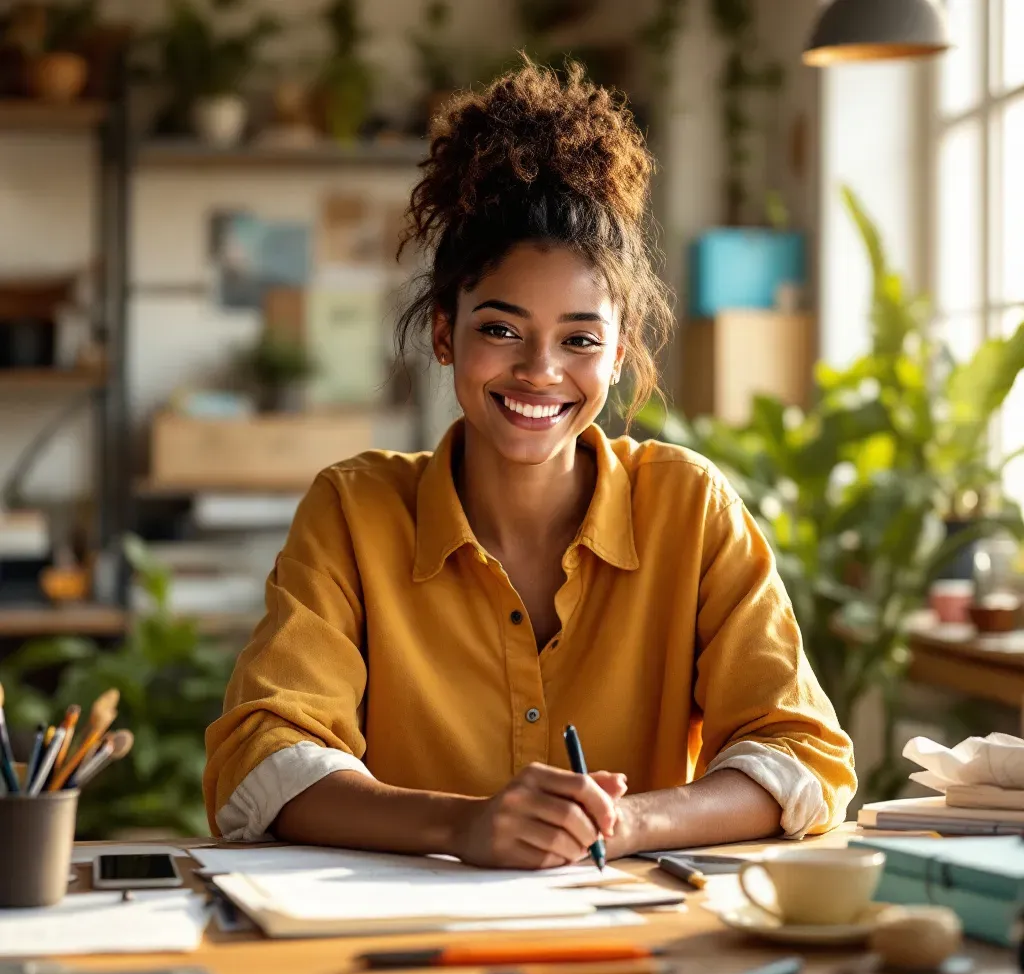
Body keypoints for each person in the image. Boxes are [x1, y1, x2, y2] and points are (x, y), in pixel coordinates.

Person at [204, 62, 856, 868]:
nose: (540, 372)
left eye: (580, 339)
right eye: (501, 330)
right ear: (444, 332)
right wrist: (461, 827)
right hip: (401, 930)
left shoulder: (690, 507)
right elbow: (262, 757)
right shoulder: (354, 510)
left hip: (628, 929)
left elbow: (801, 753)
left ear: (620, 354)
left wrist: (623, 824)